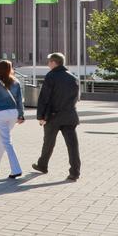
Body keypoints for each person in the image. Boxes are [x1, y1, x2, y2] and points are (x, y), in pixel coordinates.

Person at [33, 52, 80, 181]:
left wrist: (41, 116)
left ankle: (43, 165)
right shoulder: (73, 77)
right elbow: (77, 97)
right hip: (70, 115)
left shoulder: (51, 76)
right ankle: (75, 172)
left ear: (54, 62)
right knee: (72, 145)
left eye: (49, 62)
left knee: (48, 142)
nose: (48, 64)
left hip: (53, 116)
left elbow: (44, 97)